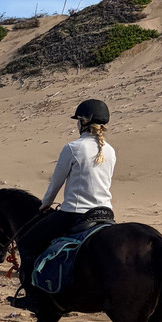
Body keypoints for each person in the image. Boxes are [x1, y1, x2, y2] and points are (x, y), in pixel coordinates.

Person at [16, 99, 116, 297]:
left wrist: (45, 205)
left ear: (83, 121)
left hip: (75, 213)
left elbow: (56, 183)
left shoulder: (73, 148)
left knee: (27, 243)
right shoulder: (111, 151)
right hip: (106, 213)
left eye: (77, 121)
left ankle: (33, 295)